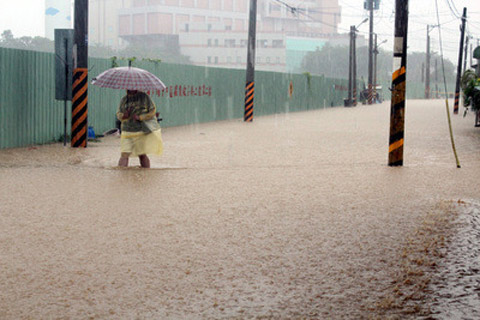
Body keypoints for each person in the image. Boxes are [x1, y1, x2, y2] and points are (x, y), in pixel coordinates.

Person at [116, 90, 163, 168]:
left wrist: (140, 117)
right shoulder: (124, 100)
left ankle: (145, 173)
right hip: (126, 130)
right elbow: (118, 113)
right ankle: (122, 176)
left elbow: (152, 111)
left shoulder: (144, 97)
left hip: (140, 130)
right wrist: (124, 115)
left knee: (141, 154)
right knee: (124, 154)